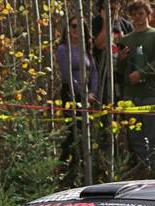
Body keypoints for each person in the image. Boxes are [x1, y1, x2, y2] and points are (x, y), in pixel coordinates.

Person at [116, 0, 155, 178]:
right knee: (136, 137)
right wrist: (121, 59)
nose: (138, 18)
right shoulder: (126, 39)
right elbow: (120, 73)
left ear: (148, 15)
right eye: (134, 15)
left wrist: (141, 74)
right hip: (131, 95)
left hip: (152, 94)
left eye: (141, 14)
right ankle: (143, 171)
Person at [56, 17, 99, 180]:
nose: (76, 30)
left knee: (85, 131)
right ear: (68, 28)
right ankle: (64, 166)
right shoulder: (63, 49)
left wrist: (92, 92)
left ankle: (82, 168)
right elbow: (67, 75)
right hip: (71, 93)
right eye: (73, 26)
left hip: (88, 94)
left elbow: (94, 71)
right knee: (73, 131)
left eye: (80, 27)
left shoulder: (86, 49)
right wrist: (82, 94)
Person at [92, 0, 134, 69]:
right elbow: (100, 45)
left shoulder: (127, 25)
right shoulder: (96, 22)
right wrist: (106, 22)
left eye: (114, 2)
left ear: (119, 5)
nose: (111, 5)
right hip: (102, 70)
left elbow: (135, 48)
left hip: (122, 70)